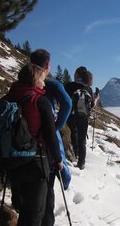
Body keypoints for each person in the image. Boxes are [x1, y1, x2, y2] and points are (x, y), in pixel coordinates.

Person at [4, 63, 63, 226]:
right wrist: (58, 160)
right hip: (34, 163)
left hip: (10, 160)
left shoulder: (8, 98)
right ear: (35, 80)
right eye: (43, 79)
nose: (44, 83)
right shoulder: (39, 101)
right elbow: (51, 136)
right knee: (33, 213)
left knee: (23, 206)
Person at [30, 49, 72, 226]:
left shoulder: (24, 82)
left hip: (24, 140)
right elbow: (68, 103)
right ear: (47, 64)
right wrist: (57, 126)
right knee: (48, 187)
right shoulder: (51, 84)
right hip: (45, 140)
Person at [65, 67, 99, 170]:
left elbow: (63, 99)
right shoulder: (88, 88)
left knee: (72, 134)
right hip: (84, 117)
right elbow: (92, 105)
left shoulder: (69, 86)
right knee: (82, 139)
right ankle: (81, 162)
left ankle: (75, 155)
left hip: (71, 114)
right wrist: (97, 98)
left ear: (77, 75)